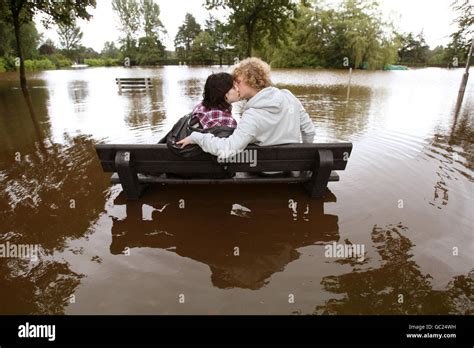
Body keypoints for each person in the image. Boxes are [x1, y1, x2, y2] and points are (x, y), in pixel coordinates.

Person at [177, 57, 316, 158]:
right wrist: (303, 156)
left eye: (237, 82)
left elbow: (227, 149)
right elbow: (309, 131)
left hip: (264, 172)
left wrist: (197, 137)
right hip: (292, 165)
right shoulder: (289, 96)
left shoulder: (252, 116)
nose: (235, 87)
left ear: (251, 82)